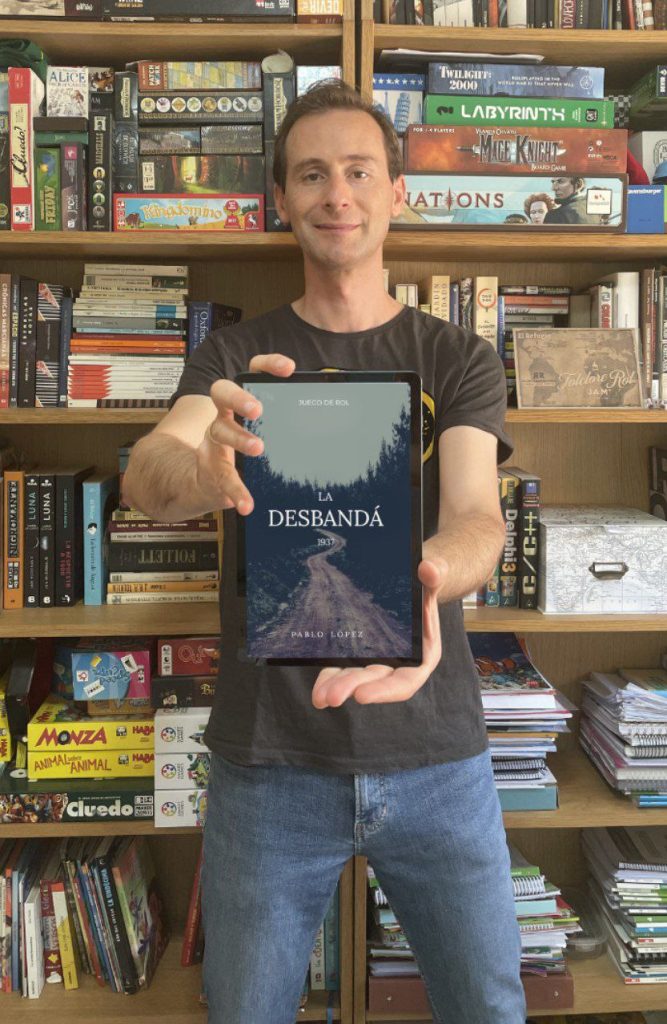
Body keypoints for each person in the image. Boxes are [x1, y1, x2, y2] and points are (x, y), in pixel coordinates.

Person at [122, 81, 525, 1024]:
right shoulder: (234, 354)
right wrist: (207, 467)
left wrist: (422, 582)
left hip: (437, 756)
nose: (335, 193)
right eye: (311, 173)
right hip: (269, 762)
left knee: (489, 1008)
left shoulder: (458, 355)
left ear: (394, 194)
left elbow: (477, 519)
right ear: (282, 199)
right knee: (245, 1010)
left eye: (357, 171)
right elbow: (151, 473)